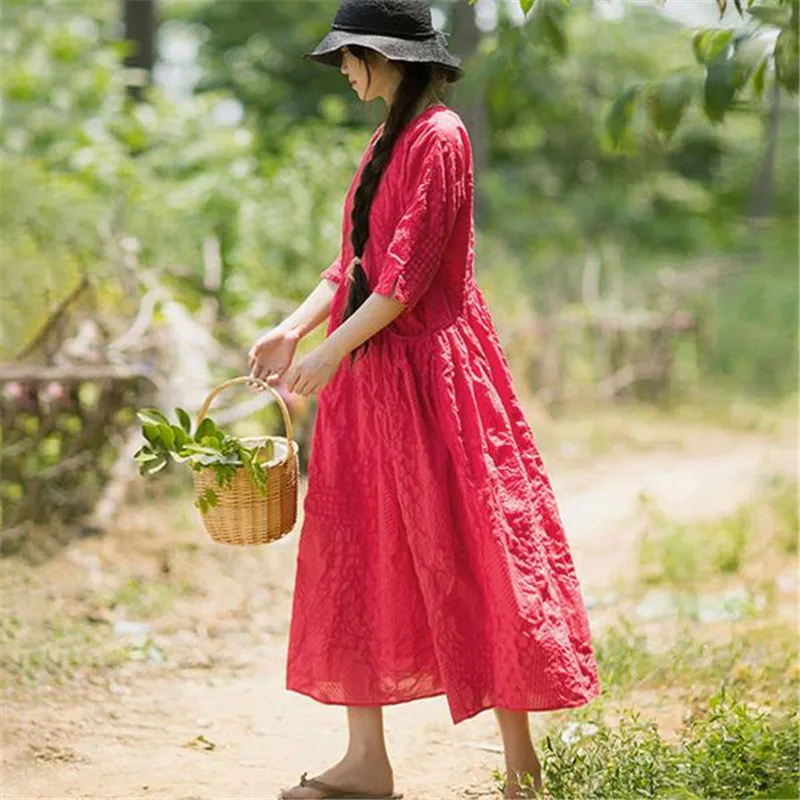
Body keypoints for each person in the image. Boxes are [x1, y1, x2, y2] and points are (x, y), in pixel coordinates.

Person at [247, 1, 600, 797]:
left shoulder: (442, 137)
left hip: (436, 379)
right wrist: (293, 330)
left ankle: (523, 771)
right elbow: (352, 267)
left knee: (478, 548)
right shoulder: (384, 141)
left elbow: (406, 279)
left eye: (350, 56)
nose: (342, 69)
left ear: (387, 57)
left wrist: (332, 349)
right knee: (356, 548)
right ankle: (367, 762)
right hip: (370, 381)